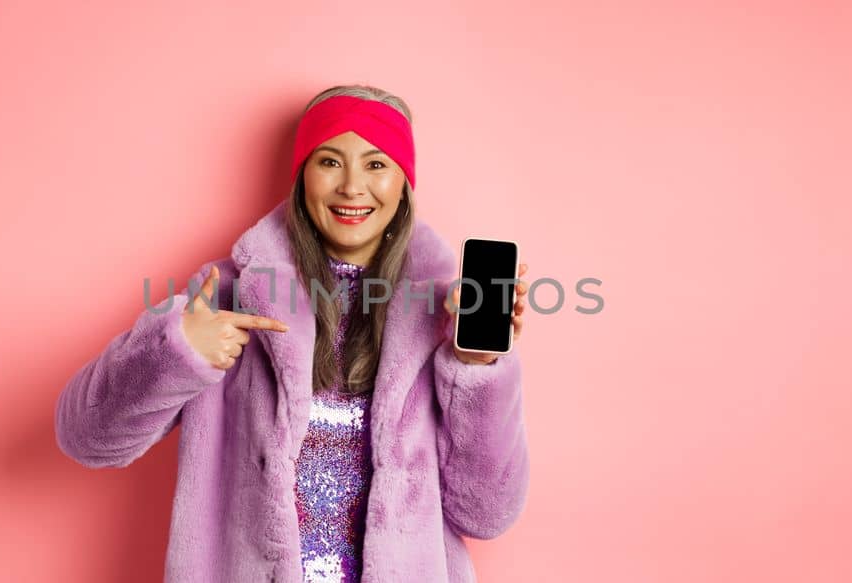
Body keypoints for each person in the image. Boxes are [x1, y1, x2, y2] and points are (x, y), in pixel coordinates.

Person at [55, 84, 530, 582]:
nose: (351, 187)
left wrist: (476, 370)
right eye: (329, 161)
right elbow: (87, 439)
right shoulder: (223, 298)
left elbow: (486, 513)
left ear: (403, 184)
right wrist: (176, 353)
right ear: (303, 175)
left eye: (375, 164)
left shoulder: (443, 316)